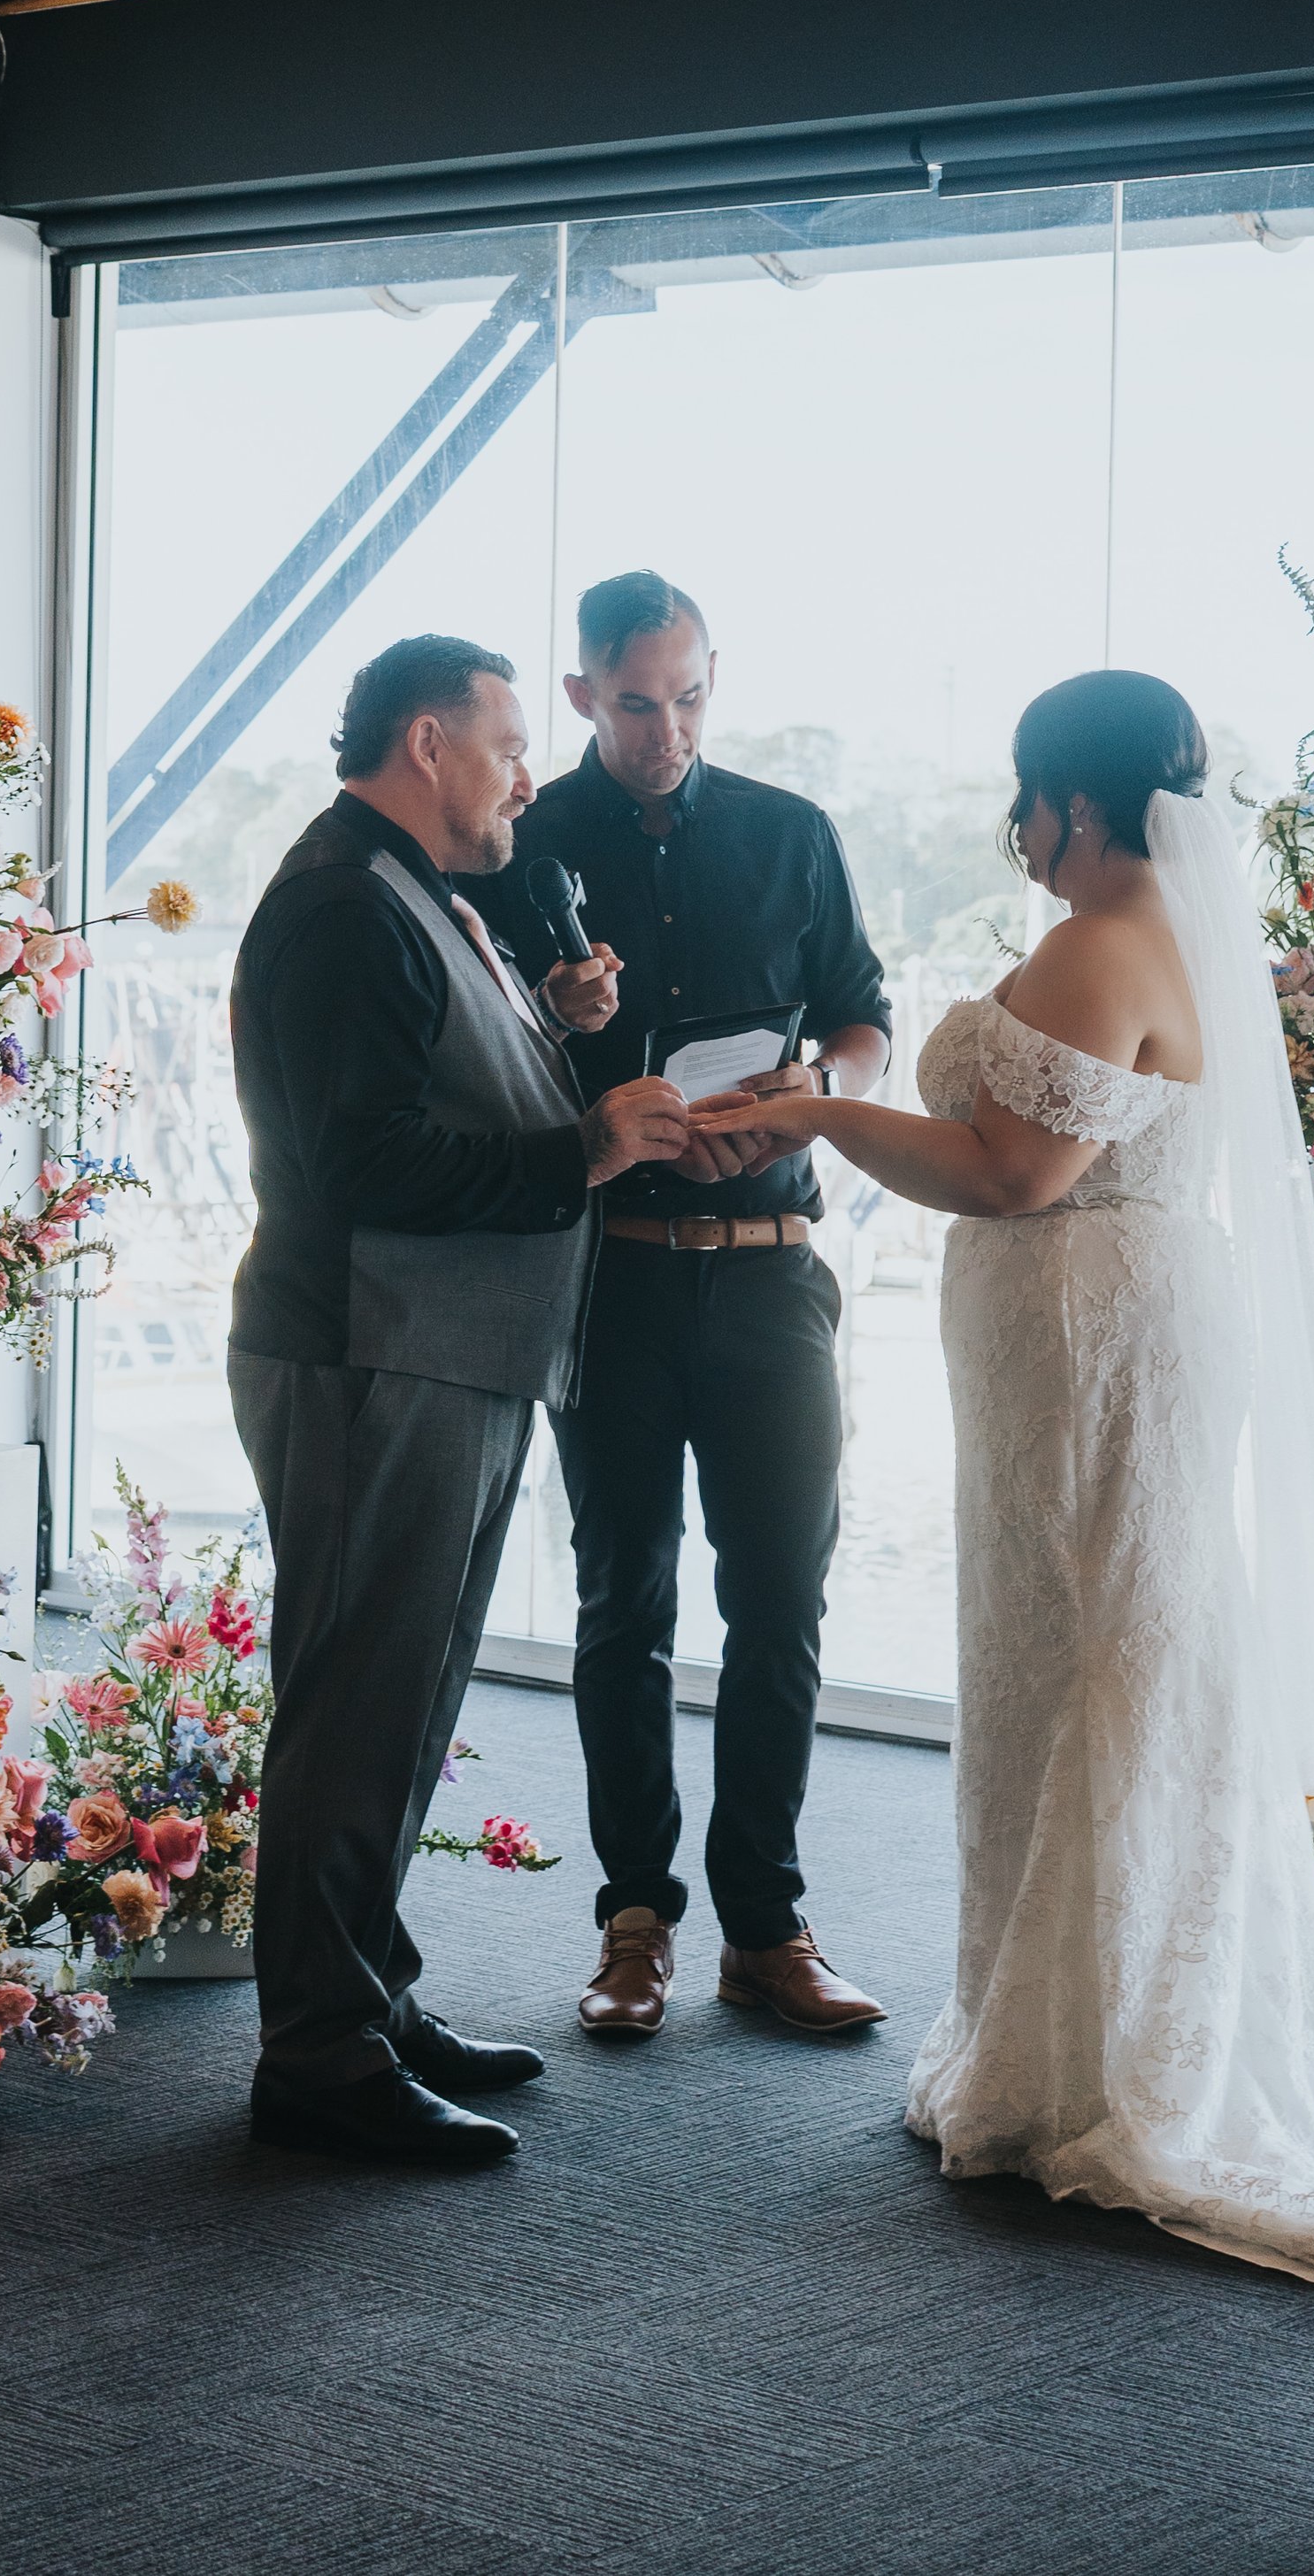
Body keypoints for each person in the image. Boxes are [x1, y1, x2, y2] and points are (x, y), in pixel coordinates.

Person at [694, 669, 1314, 2300]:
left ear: (1081, 800)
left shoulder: (1096, 938)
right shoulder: (1169, 935)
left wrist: (816, 1112)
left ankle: (1096, 2062)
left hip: (1090, 1337)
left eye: (1027, 795)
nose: (1020, 828)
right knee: (1132, 1650)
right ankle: (1117, 2020)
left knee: (1089, 1660)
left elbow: (1011, 1172)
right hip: (1137, 1322)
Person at [227, 633, 689, 2167]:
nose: (527, 773)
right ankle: (317, 2054)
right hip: (370, 1354)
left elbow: (445, 1097)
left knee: (407, 1703)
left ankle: (370, 1993)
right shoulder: (344, 905)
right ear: (427, 743)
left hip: (449, 1351)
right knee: (359, 1701)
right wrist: (588, 1147)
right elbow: (359, 1159)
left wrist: (564, 1046)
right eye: (507, 742)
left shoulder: (420, 893)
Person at [469, 571, 893, 2044]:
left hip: (772, 1265)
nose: (668, 727)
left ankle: (767, 1926)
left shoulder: (795, 831)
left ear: (718, 676)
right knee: (621, 1602)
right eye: (638, 701)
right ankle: (635, 1920)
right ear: (579, 692)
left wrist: (818, 1095)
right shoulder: (518, 846)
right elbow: (476, 1065)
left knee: (781, 1598)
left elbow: (862, 1016)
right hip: (616, 1273)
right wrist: (566, 1028)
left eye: (692, 694)